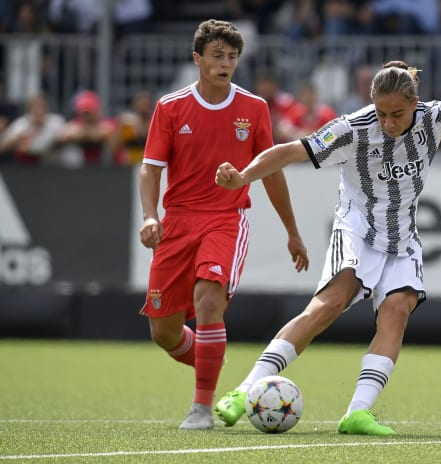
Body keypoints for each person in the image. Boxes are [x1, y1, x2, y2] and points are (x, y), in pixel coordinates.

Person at [212, 60, 441, 436]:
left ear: (415, 104)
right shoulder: (352, 129)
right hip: (355, 229)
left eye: (397, 114)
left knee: (398, 309)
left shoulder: (434, 117)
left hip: (402, 237)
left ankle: (357, 412)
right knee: (328, 306)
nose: (388, 122)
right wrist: (242, 176)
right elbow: (288, 152)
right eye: (382, 113)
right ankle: (242, 391)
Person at [137, 19, 309, 431]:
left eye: (232, 57)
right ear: (198, 59)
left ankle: (201, 410)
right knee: (163, 332)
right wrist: (150, 215)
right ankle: (213, 354)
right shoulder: (170, 107)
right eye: (217, 56)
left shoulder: (253, 108)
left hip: (225, 220)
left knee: (208, 301)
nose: (225, 63)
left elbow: (271, 172)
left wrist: (292, 230)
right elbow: (150, 169)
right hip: (177, 223)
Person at [0, 92, 65, 165]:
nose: (38, 111)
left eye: (42, 107)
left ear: (47, 109)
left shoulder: (56, 122)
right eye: (35, 107)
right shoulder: (21, 124)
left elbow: (66, 137)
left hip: (54, 165)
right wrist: (15, 141)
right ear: (29, 110)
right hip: (26, 167)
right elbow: (3, 145)